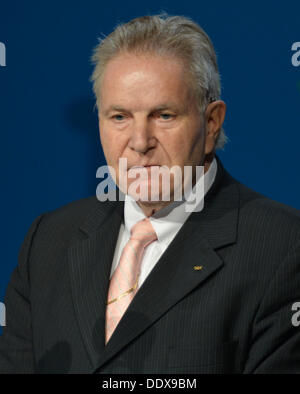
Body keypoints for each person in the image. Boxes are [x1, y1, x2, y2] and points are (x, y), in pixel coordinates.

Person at [0, 13, 300, 374]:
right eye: (119, 117)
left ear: (211, 123)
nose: (140, 142)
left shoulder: (282, 246)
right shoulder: (47, 241)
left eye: (164, 115)